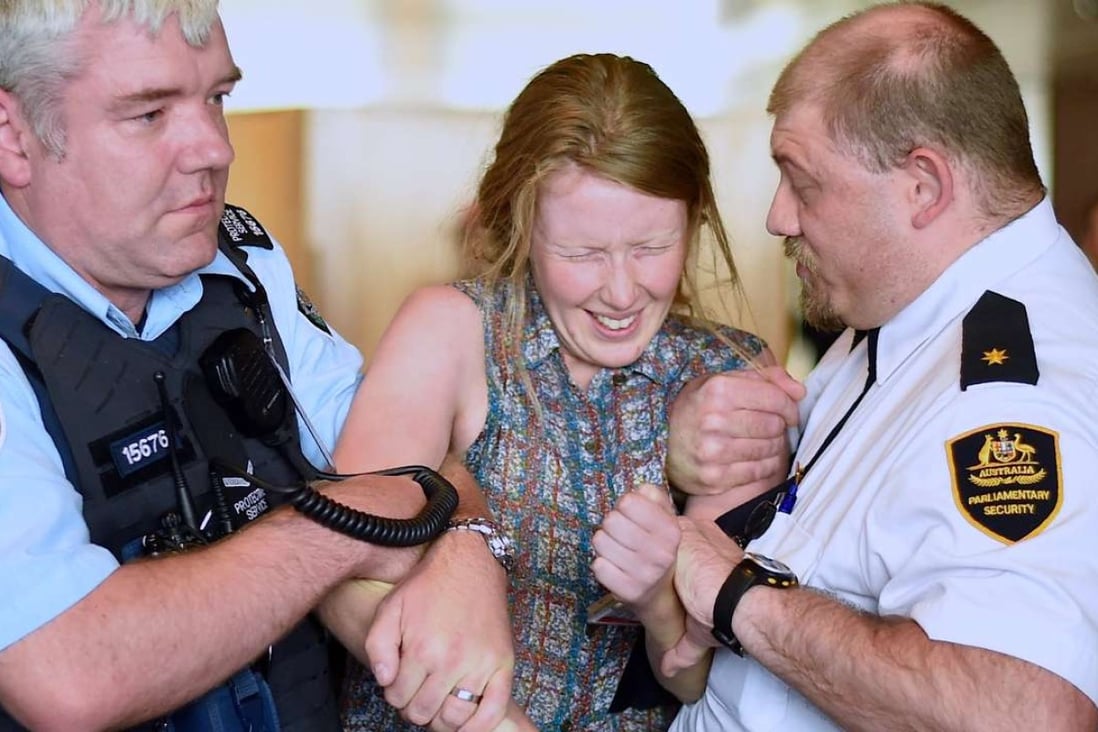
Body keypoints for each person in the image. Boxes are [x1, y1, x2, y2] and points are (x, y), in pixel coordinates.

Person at [0, 2, 510, 731]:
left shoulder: (243, 263)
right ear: (13, 136)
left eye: (217, 97)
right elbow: (68, 675)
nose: (214, 148)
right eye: (149, 114)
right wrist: (337, 530)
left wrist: (470, 549)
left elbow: (410, 464)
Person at [658, 2, 1098, 730]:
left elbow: (1021, 713)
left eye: (803, 182)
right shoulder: (909, 312)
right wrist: (698, 442)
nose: (778, 217)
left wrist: (737, 597)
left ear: (922, 186)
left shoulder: (1016, 392)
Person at [330, 52, 793, 731]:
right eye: (582, 254)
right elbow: (344, 560)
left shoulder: (730, 377)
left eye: (651, 247)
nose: (622, 291)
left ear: (694, 221)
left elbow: (695, 676)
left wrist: (659, 601)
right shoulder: (453, 330)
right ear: (522, 226)